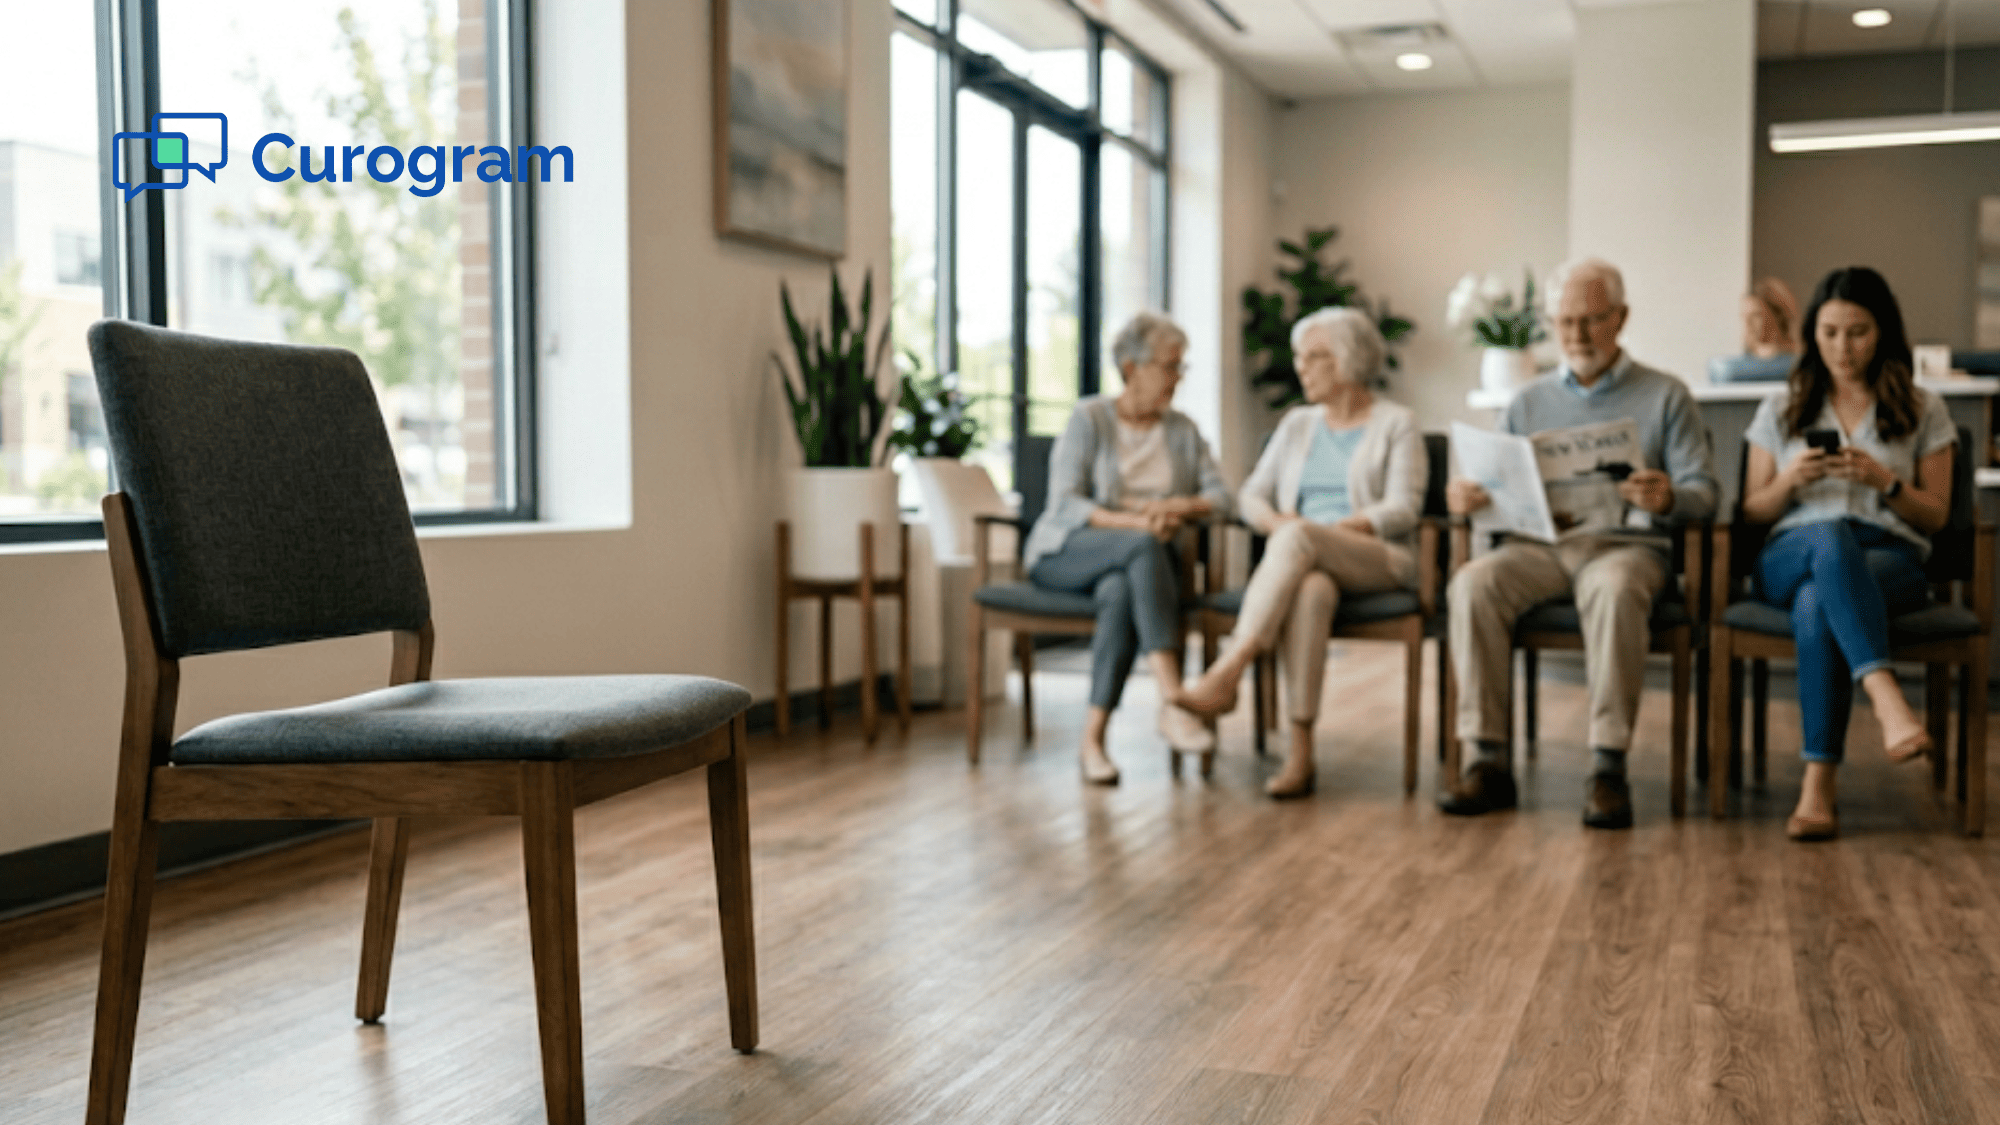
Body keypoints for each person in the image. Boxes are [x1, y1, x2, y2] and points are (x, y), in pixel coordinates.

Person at [1443, 257, 1717, 829]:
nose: (1576, 336)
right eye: (1565, 322)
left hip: (1627, 548)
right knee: (1472, 584)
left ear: (1621, 319)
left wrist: (1669, 498)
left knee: (1615, 589)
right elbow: (1496, 488)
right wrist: (1471, 498)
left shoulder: (1667, 396)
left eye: (1591, 321)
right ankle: (1486, 758)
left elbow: (1705, 494)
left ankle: (1607, 766)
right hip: (1541, 547)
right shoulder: (1525, 402)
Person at [1177, 307, 1426, 798]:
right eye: (1299, 357)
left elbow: (1404, 507)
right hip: (1307, 557)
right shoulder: (1297, 424)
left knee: (1299, 539)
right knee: (1310, 590)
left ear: (1350, 361)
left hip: (1378, 557)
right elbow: (1251, 495)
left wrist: (1329, 530)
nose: (1301, 368)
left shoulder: (1398, 423)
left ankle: (1231, 668)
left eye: (1315, 357)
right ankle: (1301, 753)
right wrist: (1278, 524)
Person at [1739, 266, 1951, 841]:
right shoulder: (1780, 406)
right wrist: (1789, 481)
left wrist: (1886, 482)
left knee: (1817, 604)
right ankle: (1885, 696)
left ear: (1883, 332)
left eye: (1857, 332)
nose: (1842, 347)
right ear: (1812, 334)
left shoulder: (1923, 407)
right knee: (1828, 538)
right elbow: (1753, 510)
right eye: (1829, 332)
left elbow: (1936, 515)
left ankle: (1818, 789)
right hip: (1793, 549)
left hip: (1888, 558)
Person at [1021, 311, 1233, 785]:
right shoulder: (1089, 418)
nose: (1176, 378)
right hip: (1067, 552)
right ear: (1131, 367)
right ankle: (1174, 698)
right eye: (1169, 366)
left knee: (1120, 591)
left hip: (1140, 565)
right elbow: (1066, 503)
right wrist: (1137, 522)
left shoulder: (1183, 431)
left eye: (1182, 367)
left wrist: (1176, 506)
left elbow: (1222, 497)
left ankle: (1092, 740)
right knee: (1139, 547)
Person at [1709, 278, 1801, 383]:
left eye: (1756, 315)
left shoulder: (1800, 365)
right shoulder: (1731, 368)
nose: (1748, 323)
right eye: (1744, 317)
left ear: (1779, 316)